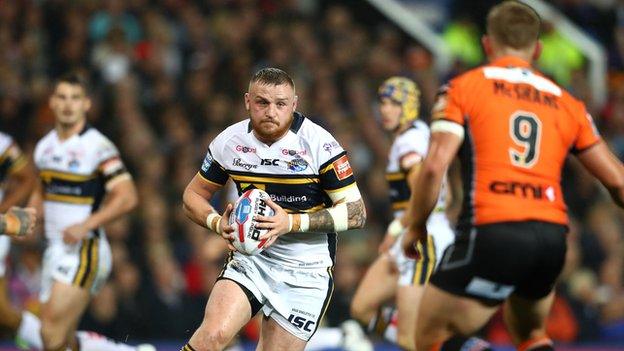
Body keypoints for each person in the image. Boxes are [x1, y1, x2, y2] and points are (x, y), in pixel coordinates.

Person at [402, 2, 621, 351]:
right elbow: (618, 182)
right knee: (532, 335)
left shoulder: (464, 88)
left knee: (428, 336)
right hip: (551, 239)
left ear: (487, 44)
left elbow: (433, 166)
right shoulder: (568, 103)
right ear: (537, 49)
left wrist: (415, 225)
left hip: (492, 229)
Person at [181, 67, 367, 351]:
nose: (271, 111)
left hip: (306, 271)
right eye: (262, 102)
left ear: (294, 104)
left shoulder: (320, 145)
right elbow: (192, 195)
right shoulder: (230, 142)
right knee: (213, 336)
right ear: (247, 102)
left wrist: (290, 223)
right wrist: (219, 224)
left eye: (280, 104)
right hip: (251, 260)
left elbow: (356, 212)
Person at [29, 73, 151, 351]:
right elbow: (41, 189)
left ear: (86, 104)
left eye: (75, 98)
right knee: (59, 341)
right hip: (55, 250)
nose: (68, 104)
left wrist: (88, 224)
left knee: (50, 334)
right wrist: (29, 215)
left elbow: (128, 196)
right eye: (61, 97)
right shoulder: (44, 147)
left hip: (86, 250)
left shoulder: (98, 147)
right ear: (52, 103)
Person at [342, 77, 458, 351]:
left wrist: (396, 230)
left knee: (409, 339)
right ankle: (437, 343)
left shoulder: (408, 144)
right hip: (421, 230)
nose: (384, 109)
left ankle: (441, 343)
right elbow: (448, 194)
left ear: (408, 106)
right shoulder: (423, 133)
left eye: (393, 103)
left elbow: (421, 193)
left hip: (420, 238)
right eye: (382, 102)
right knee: (362, 308)